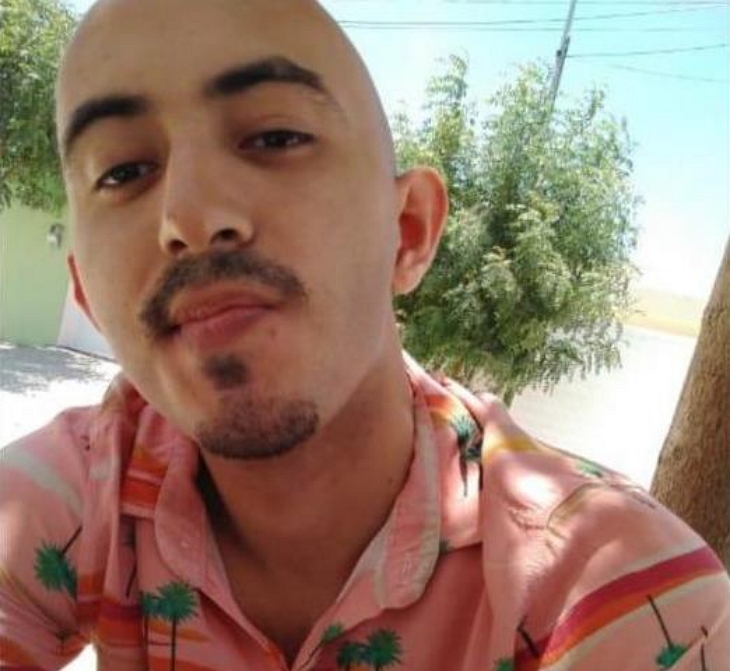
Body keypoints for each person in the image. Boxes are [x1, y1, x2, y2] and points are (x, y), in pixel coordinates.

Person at [1, 0, 728, 669]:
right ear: (87, 294)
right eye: (123, 170)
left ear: (408, 231)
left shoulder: (628, 591)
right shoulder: (74, 493)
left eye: (275, 136)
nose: (188, 216)